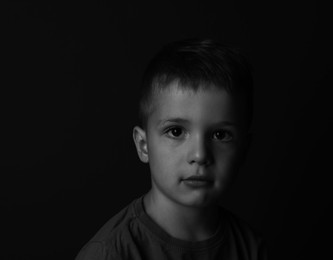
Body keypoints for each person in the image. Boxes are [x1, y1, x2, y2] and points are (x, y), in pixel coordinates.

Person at [75, 38, 267, 260]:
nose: (199, 155)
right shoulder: (110, 253)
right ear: (144, 145)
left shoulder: (250, 248)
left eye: (220, 135)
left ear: (244, 149)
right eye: (176, 132)